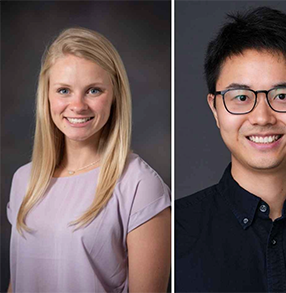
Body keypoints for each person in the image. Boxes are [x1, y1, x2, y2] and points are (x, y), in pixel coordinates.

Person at [175, 7, 286, 293]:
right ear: (215, 109)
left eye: (282, 96)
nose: (262, 117)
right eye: (241, 97)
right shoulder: (175, 231)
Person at [6, 28, 171, 292]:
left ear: (115, 94)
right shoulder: (24, 180)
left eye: (93, 90)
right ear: (46, 96)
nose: (78, 105)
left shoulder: (140, 185)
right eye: (64, 90)